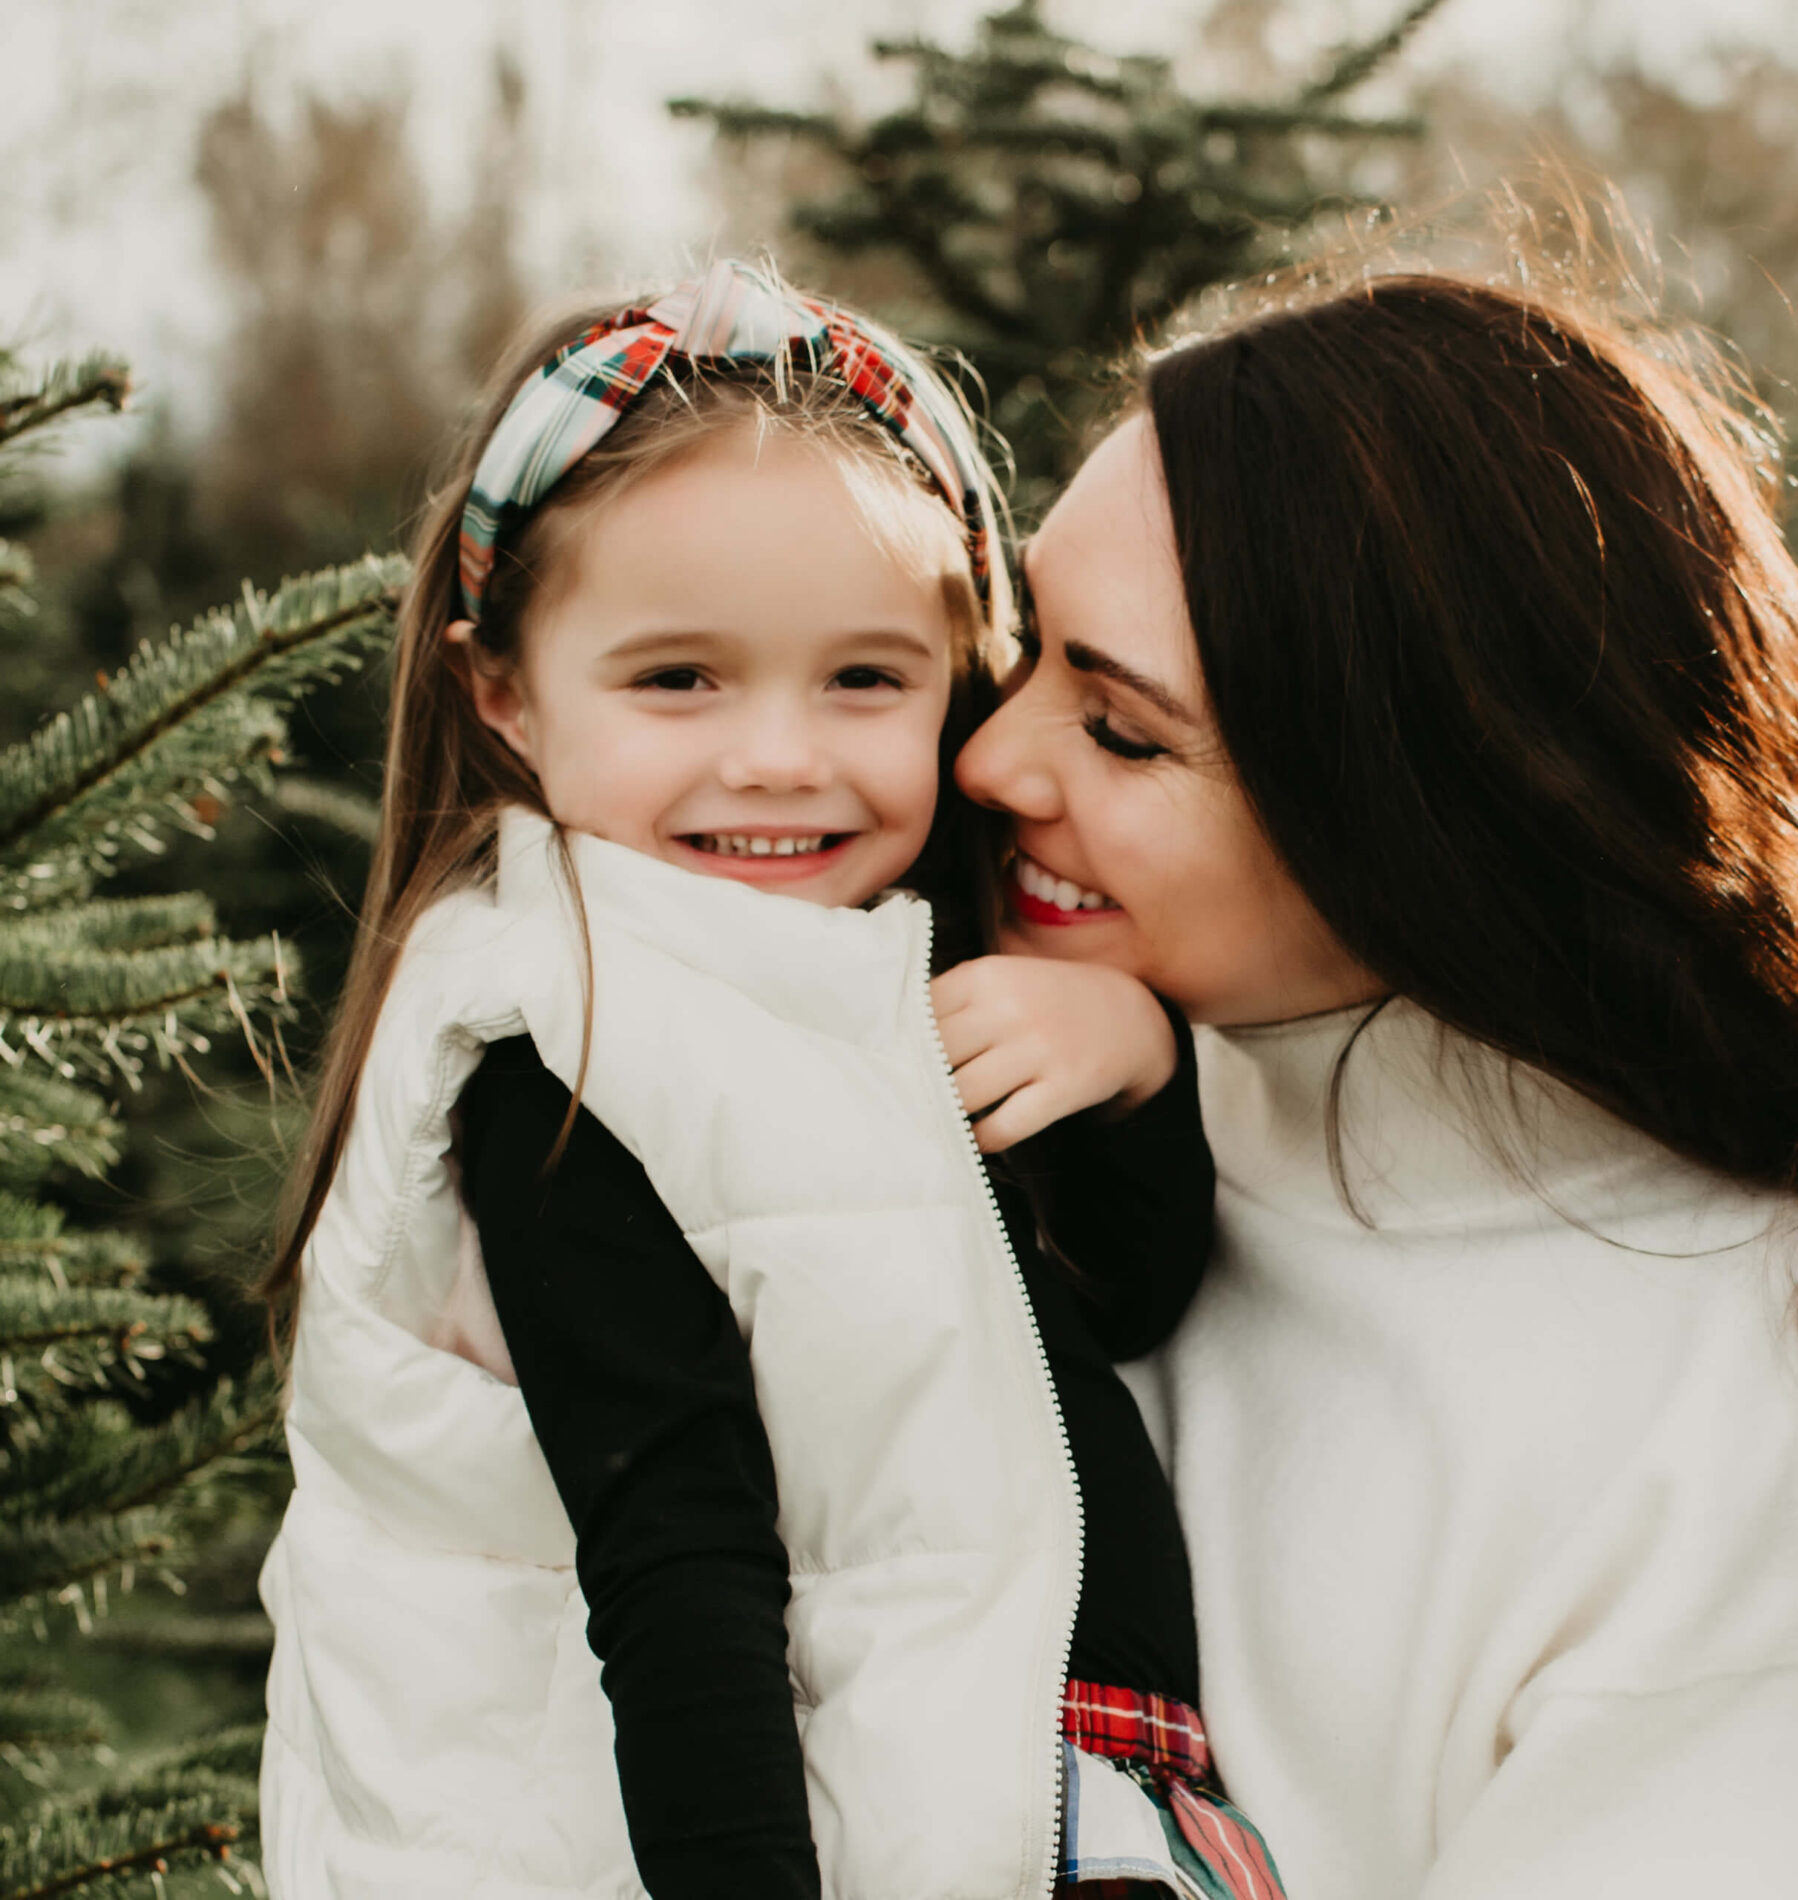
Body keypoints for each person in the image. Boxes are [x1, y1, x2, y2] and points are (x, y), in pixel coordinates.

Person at [256, 260, 1282, 1900]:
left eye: (864, 678)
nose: (781, 757)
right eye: (680, 679)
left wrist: (1137, 1070)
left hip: (1046, 1781)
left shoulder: (870, 988)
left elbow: (1129, 1309)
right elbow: (679, 1574)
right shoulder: (563, 1056)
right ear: (502, 691)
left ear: (962, 670)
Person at [955, 265, 1798, 1898]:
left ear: (1409, 817)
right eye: (1026, 647)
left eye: (1121, 730)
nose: (988, 760)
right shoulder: (1008, 1126)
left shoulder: (1736, 1429)